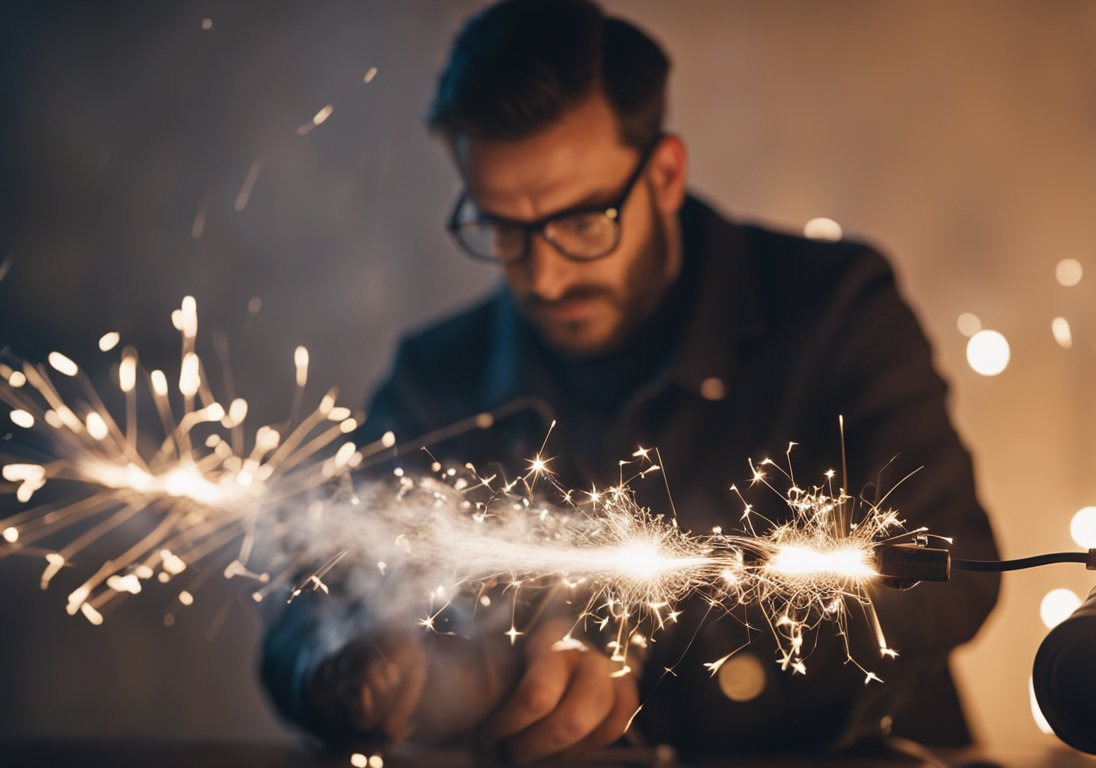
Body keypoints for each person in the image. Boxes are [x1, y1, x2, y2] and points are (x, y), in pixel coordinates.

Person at [261, 0, 1000, 762]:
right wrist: (354, 670)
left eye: (583, 221)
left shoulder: (837, 307)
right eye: (505, 230)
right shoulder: (436, 376)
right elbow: (306, 606)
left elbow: (955, 571)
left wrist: (646, 640)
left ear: (667, 175)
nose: (544, 277)